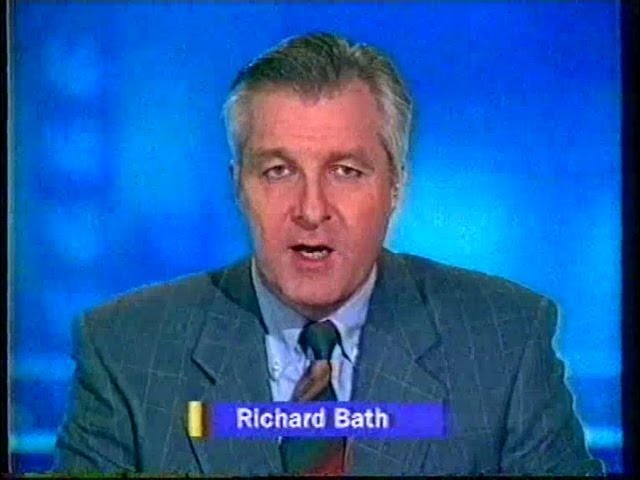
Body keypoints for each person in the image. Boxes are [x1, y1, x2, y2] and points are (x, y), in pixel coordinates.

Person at [54, 32, 604, 476]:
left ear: (396, 187)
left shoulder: (506, 340)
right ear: (239, 186)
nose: (312, 209)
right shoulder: (125, 349)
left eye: (346, 171)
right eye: (278, 171)